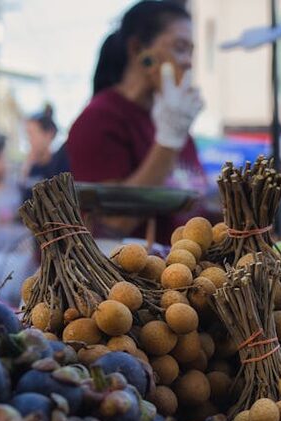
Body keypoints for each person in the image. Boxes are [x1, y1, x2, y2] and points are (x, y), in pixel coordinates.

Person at [66, 0, 206, 242]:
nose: (188, 62)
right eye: (180, 48)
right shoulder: (99, 119)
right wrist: (168, 141)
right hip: (128, 275)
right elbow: (112, 223)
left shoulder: (173, 122)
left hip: (183, 270)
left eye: (191, 52)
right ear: (138, 50)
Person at [21, 104, 69, 199]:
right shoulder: (32, 168)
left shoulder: (61, 164)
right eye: (28, 135)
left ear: (48, 134)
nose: (29, 140)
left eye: (32, 134)